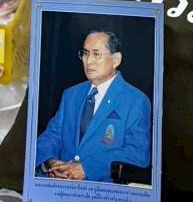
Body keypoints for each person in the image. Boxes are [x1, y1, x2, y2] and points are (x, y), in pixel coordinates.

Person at [35, 29, 151, 183]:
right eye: (85, 53)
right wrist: (52, 163)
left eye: (96, 54)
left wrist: (87, 168)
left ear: (115, 60)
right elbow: (52, 136)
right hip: (60, 186)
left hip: (102, 191)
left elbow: (138, 153)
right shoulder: (71, 95)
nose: (88, 61)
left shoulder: (136, 100)